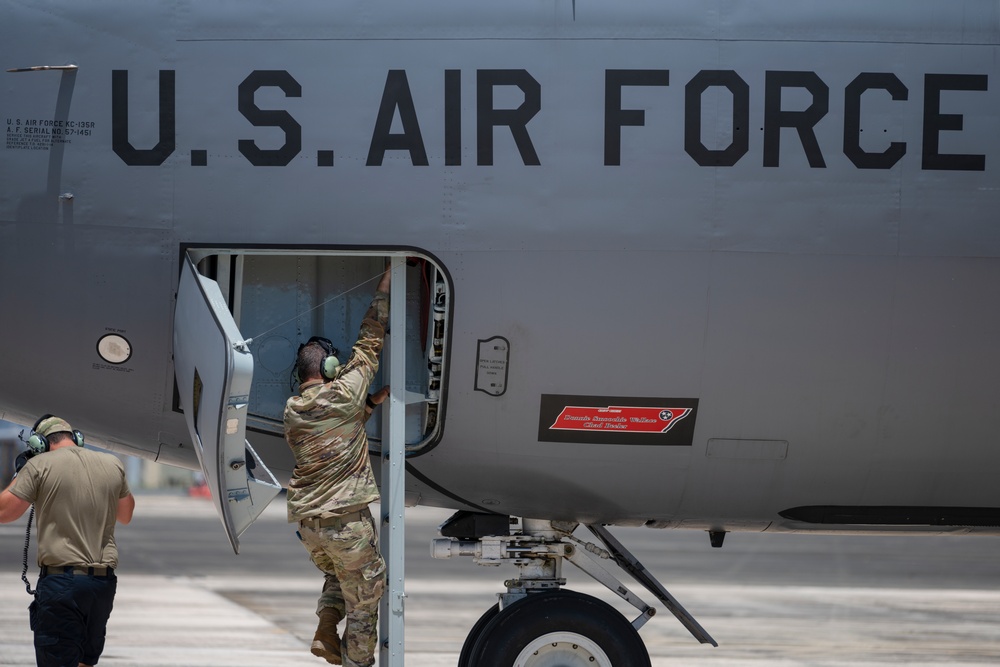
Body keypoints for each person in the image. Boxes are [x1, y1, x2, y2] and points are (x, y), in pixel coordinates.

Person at [284, 266, 392, 667]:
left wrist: (369, 404)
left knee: (337, 575)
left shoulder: (292, 411)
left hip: (311, 526)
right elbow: (370, 341)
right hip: (347, 522)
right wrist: (385, 285)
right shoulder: (345, 390)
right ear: (330, 371)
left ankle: (327, 626)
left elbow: (333, 432)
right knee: (365, 601)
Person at [0, 415, 135, 667]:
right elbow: (125, 515)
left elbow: (4, 512)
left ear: (39, 443)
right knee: (85, 661)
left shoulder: (39, 466)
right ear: (76, 438)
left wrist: (21, 473)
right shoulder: (112, 464)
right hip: (102, 586)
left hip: (62, 584)